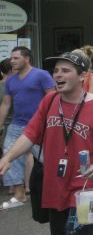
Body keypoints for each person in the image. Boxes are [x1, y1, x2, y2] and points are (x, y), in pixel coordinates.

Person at [0, 52, 93, 235]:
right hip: (55, 189)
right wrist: (7, 158)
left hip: (85, 192)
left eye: (65, 71)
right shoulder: (50, 101)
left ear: (82, 76)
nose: (58, 75)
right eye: (55, 71)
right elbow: (30, 133)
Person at [0, 46, 54, 209]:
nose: (12, 61)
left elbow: (52, 98)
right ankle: (19, 195)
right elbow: (6, 103)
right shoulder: (10, 80)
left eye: (16, 58)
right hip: (16, 125)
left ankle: (55, 193)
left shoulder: (41, 75)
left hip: (39, 125)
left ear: (27, 59)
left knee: (48, 159)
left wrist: (50, 121)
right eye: (11, 58)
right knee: (9, 156)